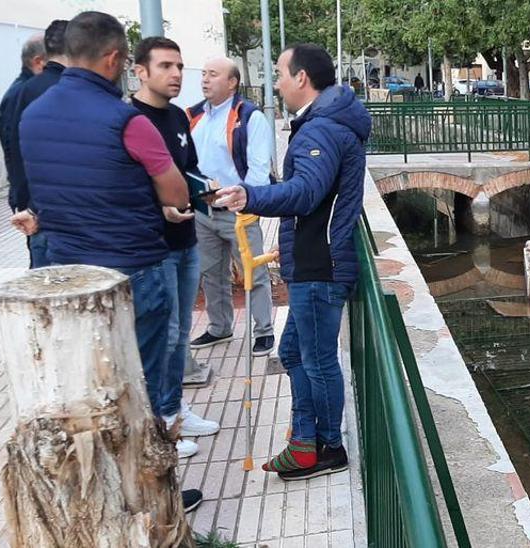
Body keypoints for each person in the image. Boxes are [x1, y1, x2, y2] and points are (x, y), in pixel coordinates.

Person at [13, 11, 202, 512]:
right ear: (117, 59)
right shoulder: (127, 120)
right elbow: (177, 189)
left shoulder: (32, 114)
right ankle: (155, 498)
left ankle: (102, 499)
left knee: (91, 390)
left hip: (71, 277)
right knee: (141, 390)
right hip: (135, 270)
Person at [214, 43, 371, 480]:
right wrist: (294, 239)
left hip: (321, 268)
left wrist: (250, 196)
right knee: (293, 352)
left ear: (302, 78)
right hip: (313, 258)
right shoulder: (325, 125)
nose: (277, 81)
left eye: (280, 73)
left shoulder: (321, 131)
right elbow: (318, 202)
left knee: (317, 360)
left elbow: (305, 192)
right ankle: (306, 440)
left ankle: (326, 447)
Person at [130, 36, 221, 459]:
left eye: (180, 66)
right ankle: (161, 421)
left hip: (187, 240)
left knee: (182, 329)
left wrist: (207, 191)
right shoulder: (129, 119)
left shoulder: (180, 119)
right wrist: (160, 208)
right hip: (154, 248)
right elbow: (129, 185)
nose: (176, 74)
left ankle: (175, 407)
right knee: (163, 336)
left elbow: (188, 171)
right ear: (140, 71)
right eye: (165, 66)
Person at [187, 57, 276, 356]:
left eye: (213, 74)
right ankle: (219, 327)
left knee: (253, 270)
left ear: (232, 82)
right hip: (204, 209)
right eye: (203, 74)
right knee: (211, 271)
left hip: (238, 209)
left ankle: (264, 330)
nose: (204, 80)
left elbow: (259, 168)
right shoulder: (194, 116)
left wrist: (245, 201)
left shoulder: (250, 117)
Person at [6, 20, 67, 268]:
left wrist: (25, 204)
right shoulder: (75, 89)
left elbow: (15, 153)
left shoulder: (24, 90)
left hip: (38, 213)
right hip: (61, 217)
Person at [0, 33, 44, 216]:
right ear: (39, 61)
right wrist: (25, 201)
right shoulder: (23, 93)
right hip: (33, 201)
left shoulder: (25, 89)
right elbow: (15, 149)